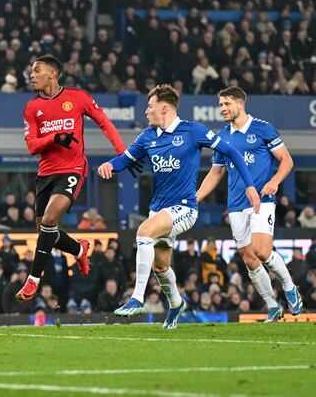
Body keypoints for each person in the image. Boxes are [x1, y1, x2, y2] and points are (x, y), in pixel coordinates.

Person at [98, 84, 260, 329]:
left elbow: (231, 152)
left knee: (142, 232)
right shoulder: (148, 136)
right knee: (161, 266)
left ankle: (136, 298)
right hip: (159, 210)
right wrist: (110, 165)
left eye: (149, 106)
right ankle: (176, 304)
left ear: (164, 108)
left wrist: (249, 185)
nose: (146, 112)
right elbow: (125, 159)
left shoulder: (192, 131)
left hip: (185, 208)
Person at [17, 54, 141, 302]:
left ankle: (33, 280)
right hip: (45, 173)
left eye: (37, 70)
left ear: (53, 73)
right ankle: (78, 248)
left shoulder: (78, 97)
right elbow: (31, 146)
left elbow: (105, 123)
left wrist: (124, 154)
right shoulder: (32, 107)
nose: (31, 75)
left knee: (50, 220)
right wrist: (54, 138)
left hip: (72, 169)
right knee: (45, 229)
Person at [196, 87, 302, 321]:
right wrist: (196, 198)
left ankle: (289, 287)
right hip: (235, 204)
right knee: (249, 258)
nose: (222, 108)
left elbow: (286, 160)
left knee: (262, 251)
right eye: (220, 104)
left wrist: (275, 181)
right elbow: (216, 173)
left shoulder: (262, 128)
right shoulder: (222, 136)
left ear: (240, 104)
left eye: (226, 104)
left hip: (262, 199)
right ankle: (272, 305)